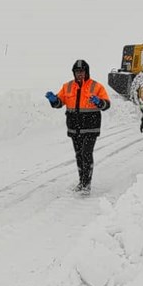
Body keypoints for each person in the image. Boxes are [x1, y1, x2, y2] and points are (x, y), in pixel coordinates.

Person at [45, 59, 110, 194]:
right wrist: (54, 100)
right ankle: (82, 181)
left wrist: (99, 102)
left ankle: (86, 184)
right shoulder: (67, 86)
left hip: (91, 127)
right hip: (74, 128)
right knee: (79, 155)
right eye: (77, 72)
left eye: (82, 71)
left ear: (87, 72)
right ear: (74, 73)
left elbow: (106, 105)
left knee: (86, 153)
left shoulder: (96, 86)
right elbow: (59, 103)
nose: (80, 74)